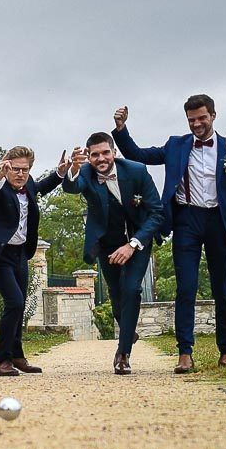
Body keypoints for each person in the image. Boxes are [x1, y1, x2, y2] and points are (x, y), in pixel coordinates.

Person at [113, 97, 226, 373]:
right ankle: (185, 353)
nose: (196, 124)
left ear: (213, 116)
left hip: (219, 220)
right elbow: (138, 155)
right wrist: (121, 130)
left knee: (223, 288)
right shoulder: (176, 145)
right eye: (191, 119)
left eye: (201, 118)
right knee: (186, 288)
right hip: (186, 219)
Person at [65, 132, 166, 375]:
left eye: (105, 152)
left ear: (114, 152)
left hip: (137, 239)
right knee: (115, 293)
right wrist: (73, 169)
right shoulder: (86, 173)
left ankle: (123, 354)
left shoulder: (137, 171)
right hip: (107, 242)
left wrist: (133, 244)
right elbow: (72, 187)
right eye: (95, 154)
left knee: (131, 288)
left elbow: (156, 213)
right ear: (89, 157)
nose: (101, 158)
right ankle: (129, 332)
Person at [0, 146, 68, 376]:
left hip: (20, 254)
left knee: (21, 303)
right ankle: (3, 360)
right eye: (15, 169)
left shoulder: (29, 185)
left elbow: (41, 187)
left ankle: (17, 356)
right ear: (6, 168)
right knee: (14, 302)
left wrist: (60, 173)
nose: (20, 174)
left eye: (24, 170)